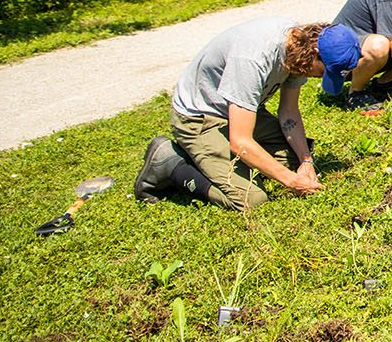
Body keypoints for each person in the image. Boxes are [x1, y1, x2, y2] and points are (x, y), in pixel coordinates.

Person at [133, 19, 359, 211]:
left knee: (292, 163)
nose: (320, 78)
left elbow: (288, 111)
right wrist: (290, 182)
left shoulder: (300, 51)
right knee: (251, 198)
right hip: (201, 117)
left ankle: (219, 161)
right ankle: (169, 162)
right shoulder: (254, 58)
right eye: (323, 72)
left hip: (244, 110)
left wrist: (305, 161)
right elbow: (240, 142)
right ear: (316, 53)